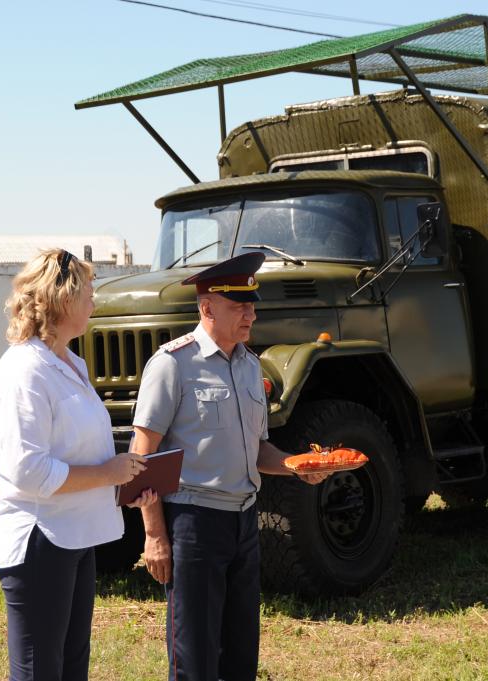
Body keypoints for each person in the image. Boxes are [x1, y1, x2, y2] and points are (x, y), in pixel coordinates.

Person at [130, 251, 330, 681]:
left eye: (252, 305)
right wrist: (154, 535)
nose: (251, 315)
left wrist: (299, 465)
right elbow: (141, 457)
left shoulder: (249, 365)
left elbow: (257, 451)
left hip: (243, 523)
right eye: (240, 306)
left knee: (241, 657)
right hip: (193, 525)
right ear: (207, 308)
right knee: (195, 660)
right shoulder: (172, 365)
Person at [0, 248, 150, 681]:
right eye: (89, 290)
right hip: (40, 542)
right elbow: (28, 471)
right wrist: (108, 474)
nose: (95, 299)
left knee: (72, 669)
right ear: (62, 299)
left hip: (75, 537)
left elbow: (81, 450)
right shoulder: (24, 370)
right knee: (42, 672)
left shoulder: (71, 362)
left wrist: (124, 482)